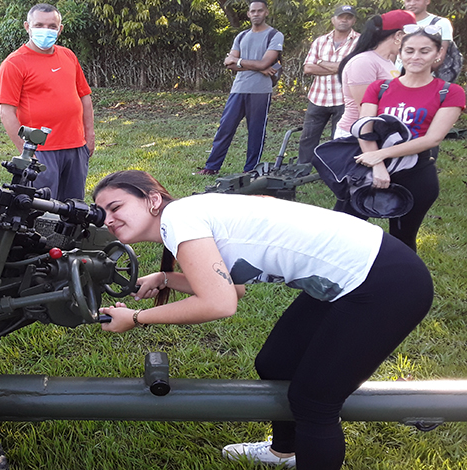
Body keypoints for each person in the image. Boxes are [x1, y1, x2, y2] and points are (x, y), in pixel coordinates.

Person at [93, 169, 433, 470]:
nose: (108, 220)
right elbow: (233, 287)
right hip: (360, 276)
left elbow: (219, 303)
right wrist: (165, 279)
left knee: (314, 401)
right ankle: (283, 452)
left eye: (116, 207)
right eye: (102, 213)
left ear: (153, 199)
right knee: (276, 362)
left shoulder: (179, 218)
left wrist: (136, 317)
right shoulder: (187, 213)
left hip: (385, 282)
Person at [350, 26, 465, 251]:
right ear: (400, 53)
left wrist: (380, 155)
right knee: (343, 230)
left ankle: (402, 283)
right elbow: (364, 128)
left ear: (437, 54)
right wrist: (377, 166)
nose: (416, 57)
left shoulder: (450, 92)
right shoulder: (380, 87)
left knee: (401, 242)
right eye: (409, 50)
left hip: (416, 173)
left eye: (424, 51)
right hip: (368, 169)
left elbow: (432, 139)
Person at [0, 3, 95, 201]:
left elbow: (84, 97)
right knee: (43, 208)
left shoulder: (68, 56)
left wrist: (89, 136)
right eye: (39, 25)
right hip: (42, 150)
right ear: (27, 27)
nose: (46, 30)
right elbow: (7, 112)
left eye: (51, 26)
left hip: (76, 147)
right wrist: (26, 153)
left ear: (60, 29)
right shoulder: (14, 64)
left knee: (74, 208)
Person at [195, 0, 284, 176]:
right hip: (238, 88)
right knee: (225, 128)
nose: (256, 14)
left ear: (266, 13)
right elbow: (229, 64)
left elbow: (264, 62)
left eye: (260, 11)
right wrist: (257, 66)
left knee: (256, 132)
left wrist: (241, 61)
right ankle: (211, 167)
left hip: (260, 90)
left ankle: (250, 170)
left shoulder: (274, 35)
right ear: (248, 14)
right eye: (253, 11)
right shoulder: (241, 36)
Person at [334, 10, 416, 138]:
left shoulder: (387, 61)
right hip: (356, 136)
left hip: (378, 133)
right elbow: (365, 112)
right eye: (412, 37)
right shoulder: (364, 62)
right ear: (399, 35)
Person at [297, 5, 360, 164]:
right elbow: (308, 68)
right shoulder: (320, 41)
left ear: (353, 20)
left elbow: (353, 69)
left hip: (344, 99)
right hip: (318, 96)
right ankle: (302, 169)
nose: (344, 20)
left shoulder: (360, 41)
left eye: (348, 17)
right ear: (333, 20)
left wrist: (320, 62)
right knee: (308, 137)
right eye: (341, 16)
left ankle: (334, 169)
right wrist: (339, 67)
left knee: (339, 138)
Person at [400, 0, 456, 80]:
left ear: (427, 1)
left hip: (429, 80)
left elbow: (441, 55)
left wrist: (416, 75)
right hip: (398, 77)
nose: (412, 3)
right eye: (408, 0)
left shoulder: (441, 23)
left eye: (417, 0)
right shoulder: (400, 23)